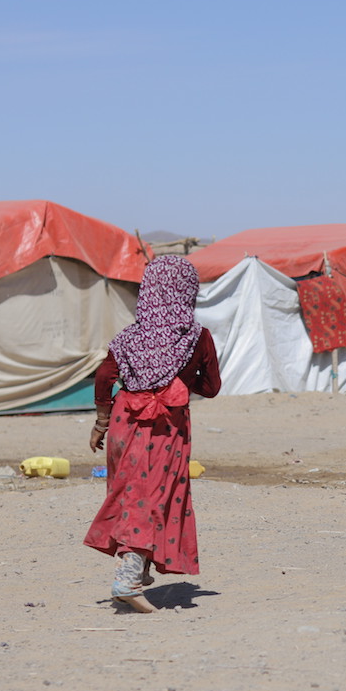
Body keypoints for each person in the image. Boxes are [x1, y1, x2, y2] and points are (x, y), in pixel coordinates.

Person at [84, 256, 222, 612]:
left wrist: (101, 421)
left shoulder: (128, 338)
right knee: (155, 498)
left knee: (133, 494)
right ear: (187, 292)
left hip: (122, 424)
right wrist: (182, 377)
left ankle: (139, 566)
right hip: (165, 428)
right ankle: (128, 577)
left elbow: (103, 378)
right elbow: (211, 388)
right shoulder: (197, 338)